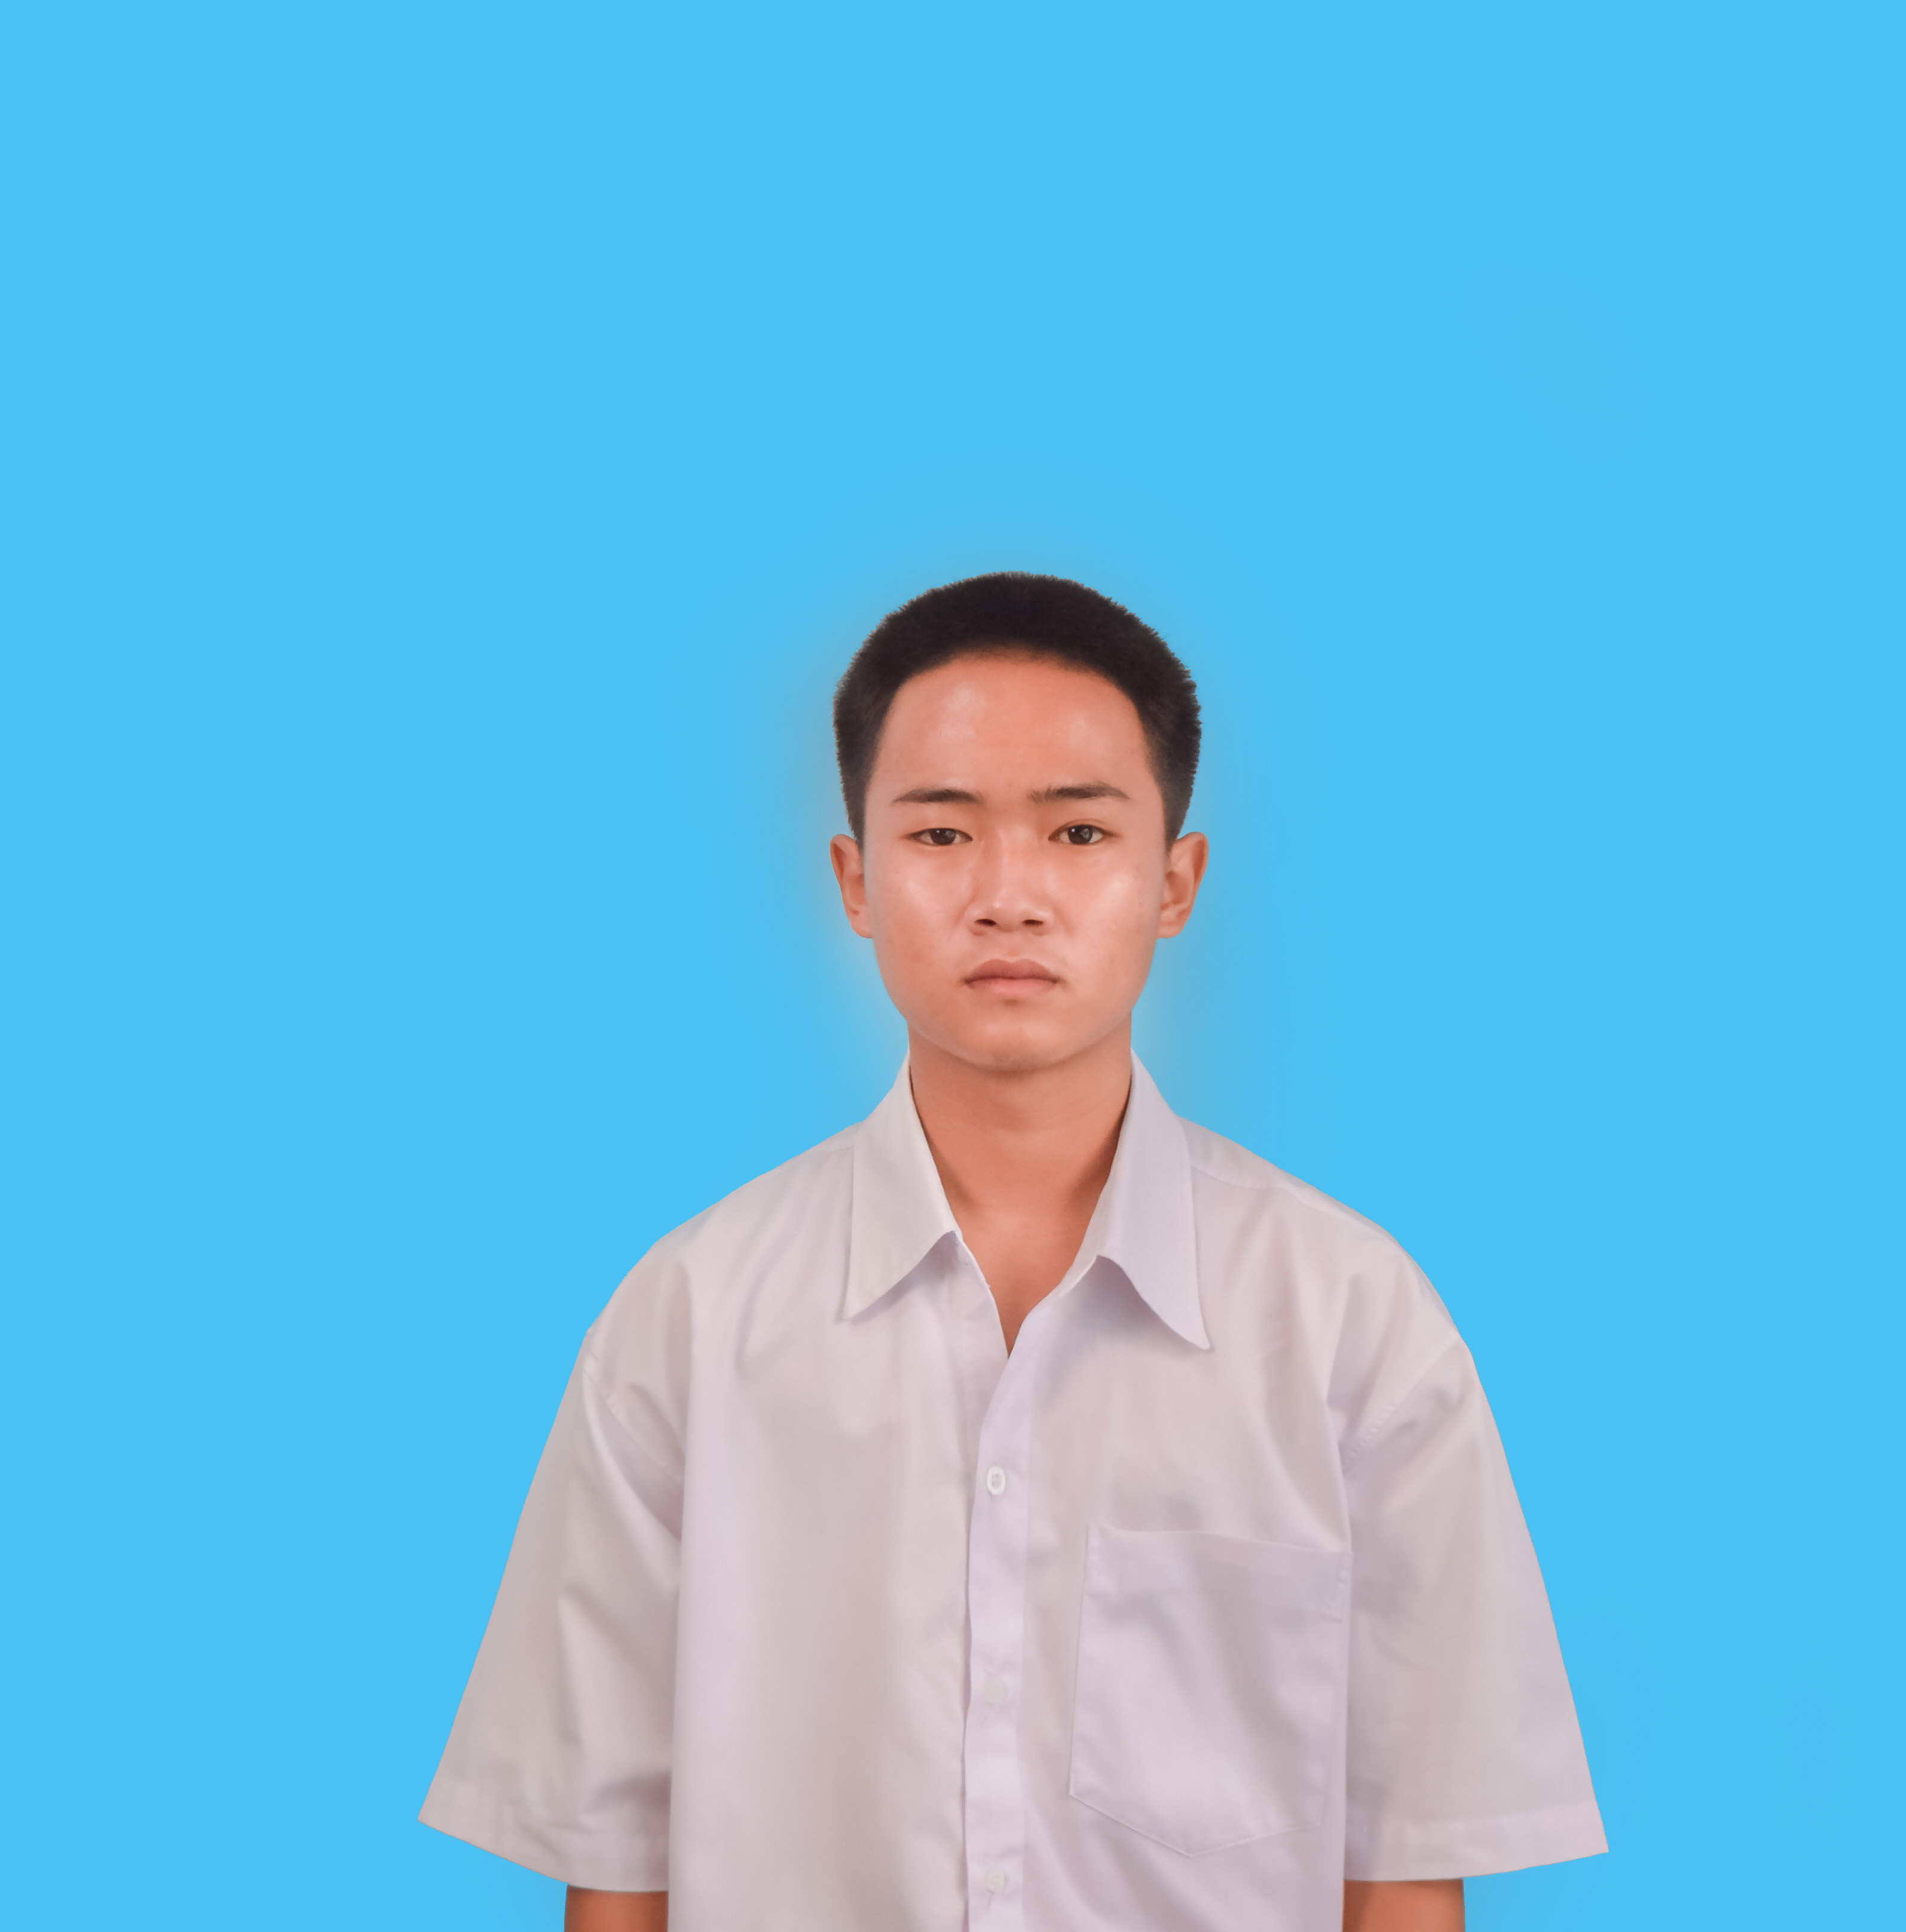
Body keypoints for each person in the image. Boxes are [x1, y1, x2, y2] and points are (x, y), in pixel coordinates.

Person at [420, 572, 1605, 1931]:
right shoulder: (689, 1320)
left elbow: (1405, 1862)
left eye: (1079, 830)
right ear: (855, 880)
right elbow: (612, 1860)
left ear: (1177, 881)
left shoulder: (1351, 1322)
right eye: (941, 832)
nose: (1009, 895)